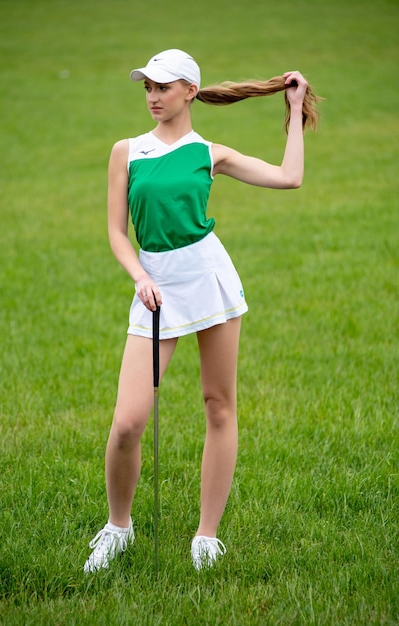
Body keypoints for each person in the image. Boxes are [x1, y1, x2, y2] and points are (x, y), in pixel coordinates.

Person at [84, 49, 319, 573]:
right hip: (155, 289)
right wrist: (140, 277)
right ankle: (117, 527)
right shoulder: (127, 151)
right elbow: (116, 233)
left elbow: (289, 177)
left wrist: (295, 108)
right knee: (127, 423)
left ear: (190, 90)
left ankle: (206, 537)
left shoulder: (208, 153)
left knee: (218, 406)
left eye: (162, 88)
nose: (151, 97)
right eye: (146, 87)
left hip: (209, 282)